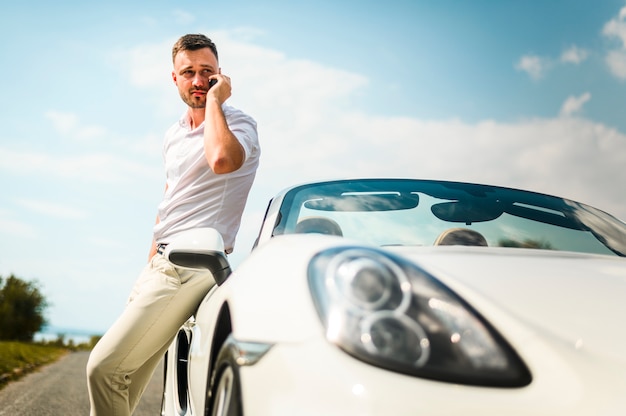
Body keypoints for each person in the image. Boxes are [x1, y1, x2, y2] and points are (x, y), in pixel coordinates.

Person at [86, 33, 260, 416]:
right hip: (161, 266)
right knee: (122, 381)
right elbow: (168, 204)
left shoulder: (239, 123)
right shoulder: (173, 134)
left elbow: (222, 161)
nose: (198, 81)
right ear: (175, 78)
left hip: (192, 265)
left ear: (220, 75)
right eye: (189, 73)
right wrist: (147, 266)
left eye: (207, 73)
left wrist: (215, 101)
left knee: (102, 370)